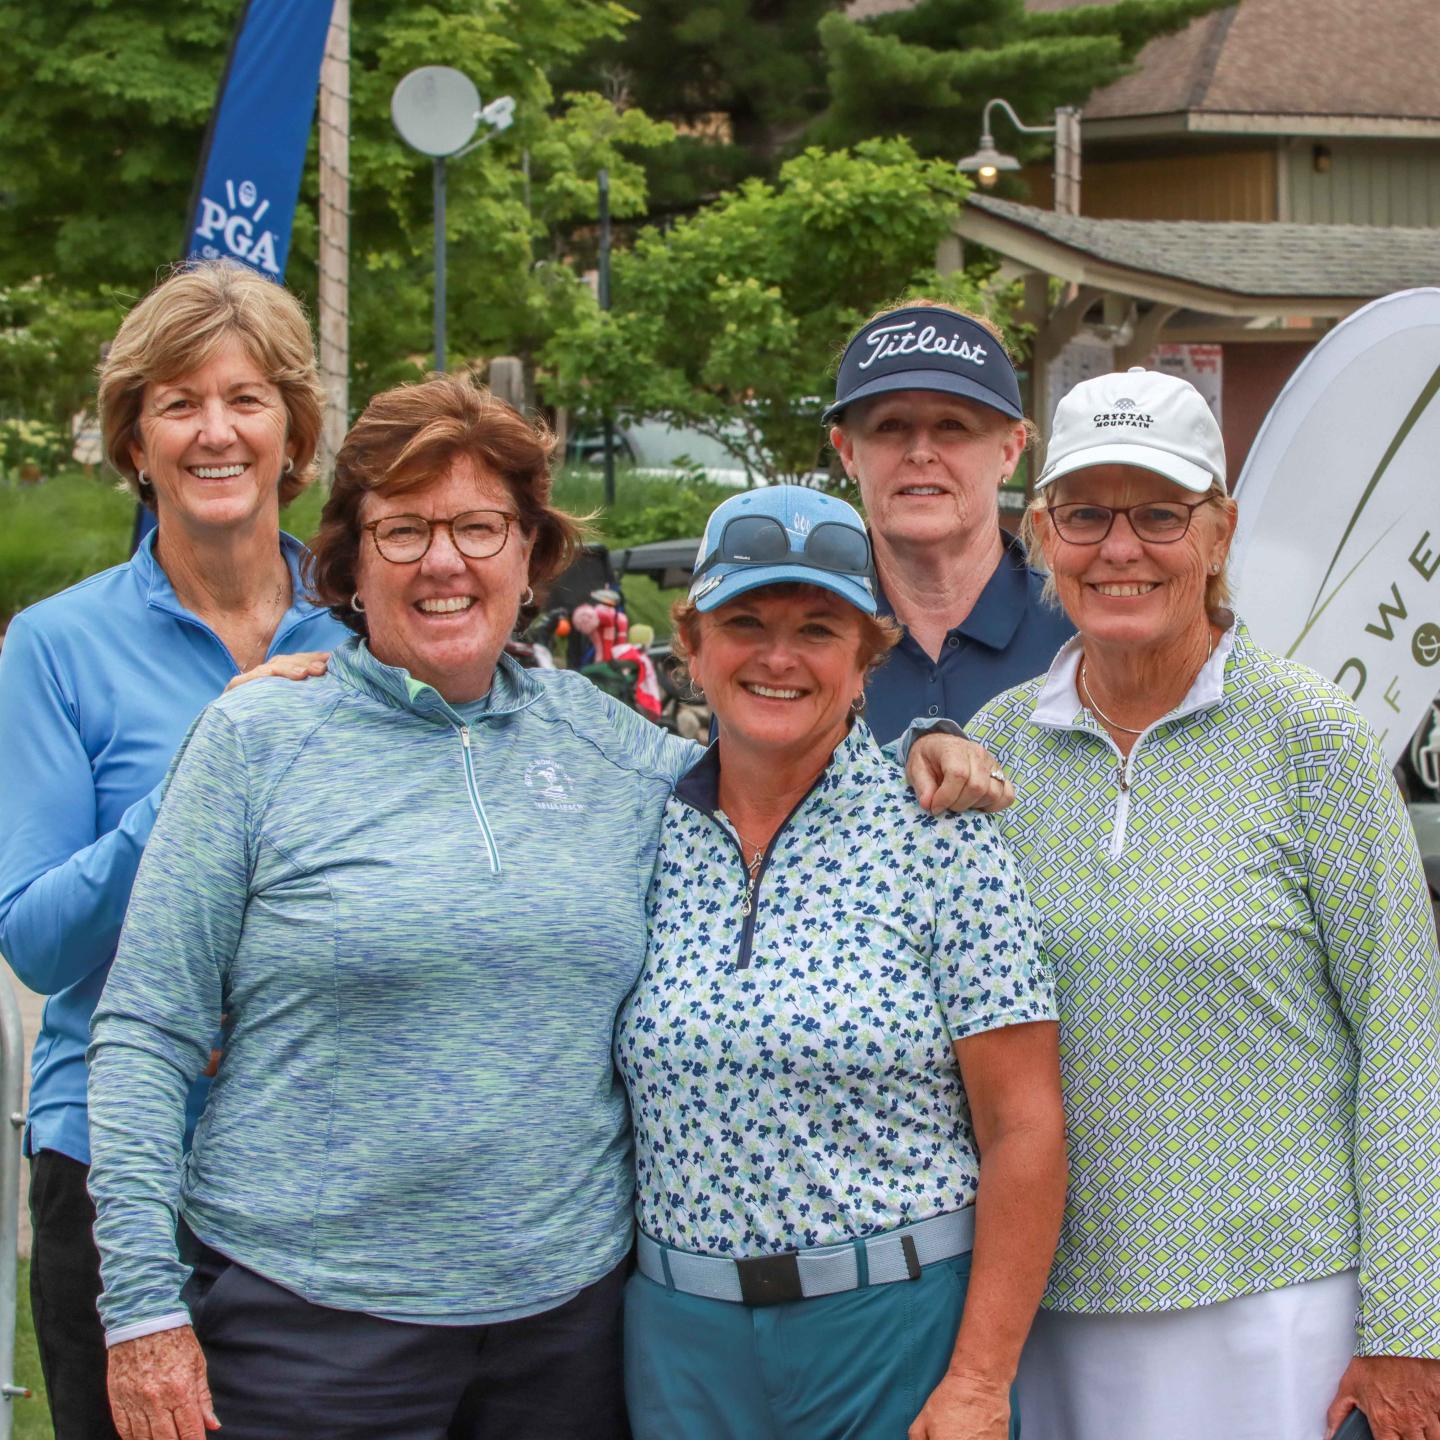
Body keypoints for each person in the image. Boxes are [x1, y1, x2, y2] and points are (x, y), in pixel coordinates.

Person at [86, 375, 1001, 1440]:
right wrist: (142, 1310)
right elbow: (148, 1030)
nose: (444, 561)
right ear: (348, 557)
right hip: (311, 1323)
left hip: (564, 1337)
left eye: (480, 527)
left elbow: (778, 754)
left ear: (529, 555)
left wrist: (924, 747)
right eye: (403, 531)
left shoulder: (612, 749)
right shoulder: (256, 744)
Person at [965, 368, 1440, 1440]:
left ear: (1218, 533)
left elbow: (1408, 1045)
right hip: (1052, 1306)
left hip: (1278, 1308)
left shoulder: (1311, 739)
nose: (1120, 547)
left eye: (1160, 513)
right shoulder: (995, 748)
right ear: (1042, 534)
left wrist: (1411, 1326)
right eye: (1087, 513)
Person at [616, 484, 1066, 1440]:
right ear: (692, 646)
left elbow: (1024, 1125)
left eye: (819, 628)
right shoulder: (639, 826)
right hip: (679, 1339)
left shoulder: (942, 834)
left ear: (868, 656)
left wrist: (982, 1381)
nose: (778, 657)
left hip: (894, 1329)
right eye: (746, 622)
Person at [0, 260, 346, 1440]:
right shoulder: (54, 648)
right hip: (112, 1167)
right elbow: (40, 942)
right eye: (178, 402)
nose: (216, 431)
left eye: (248, 399)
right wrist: (213, 756)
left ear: (294, 435)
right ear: (134, 441)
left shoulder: (366, 638)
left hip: (329, 1160)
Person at [825, 301, 1075, 744]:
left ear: (1010, 450)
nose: (920, 451)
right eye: (889, 426)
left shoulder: (1079, 634)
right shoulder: (797, 638)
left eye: (952, 425)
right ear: (847, 451)